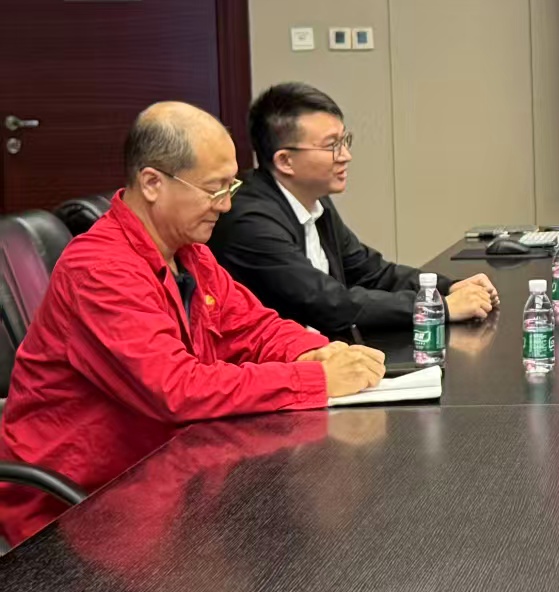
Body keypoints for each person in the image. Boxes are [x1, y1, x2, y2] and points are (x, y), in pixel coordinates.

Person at [0, 102, 385, 545]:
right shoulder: (101, 270)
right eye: (213, 189)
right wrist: (315, 378)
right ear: (152, 183)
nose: (226, 204)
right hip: (79, 507)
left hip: (166, 476)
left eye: (230, 185)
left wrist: (316, 351)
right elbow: (177, 389)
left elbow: (253, 327)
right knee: (286, 547)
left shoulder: (190, 254)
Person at [209, 83, 496, 338]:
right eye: (331, 146)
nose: (346, 156)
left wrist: (448, 287)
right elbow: (327, 303)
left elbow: (371, 273)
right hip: (280, 370)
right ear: (285, 161)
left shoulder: (314, 200)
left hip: (328, 355)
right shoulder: (249, 221)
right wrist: (437, 306)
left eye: (344, 141)